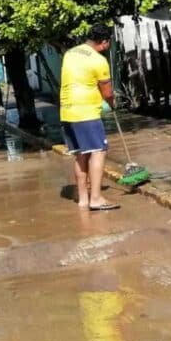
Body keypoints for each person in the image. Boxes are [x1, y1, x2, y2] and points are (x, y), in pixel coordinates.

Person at [60, 24, 119, 211]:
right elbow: (107, 92)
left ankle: (83, 199)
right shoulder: (98, 60)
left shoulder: (70, 53)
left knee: (80, 154)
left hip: (67, 110)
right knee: (98, 151)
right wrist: (112, 104)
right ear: (104, 42)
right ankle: (96, 198)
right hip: (86, 111)